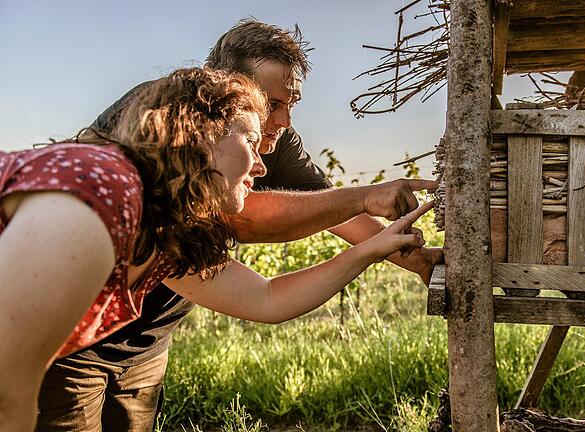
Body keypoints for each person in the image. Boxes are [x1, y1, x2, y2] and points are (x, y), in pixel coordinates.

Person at [35, 19, 443, 432]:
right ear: (220, 95)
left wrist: (416, 260)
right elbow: (243, 220)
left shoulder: (184, 228)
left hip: (146, 342)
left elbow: (296, 264)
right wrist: (362, 197)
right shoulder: (147, 147)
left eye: (291, 103)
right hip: (68, 348)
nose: (282, 121)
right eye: (271, 103)